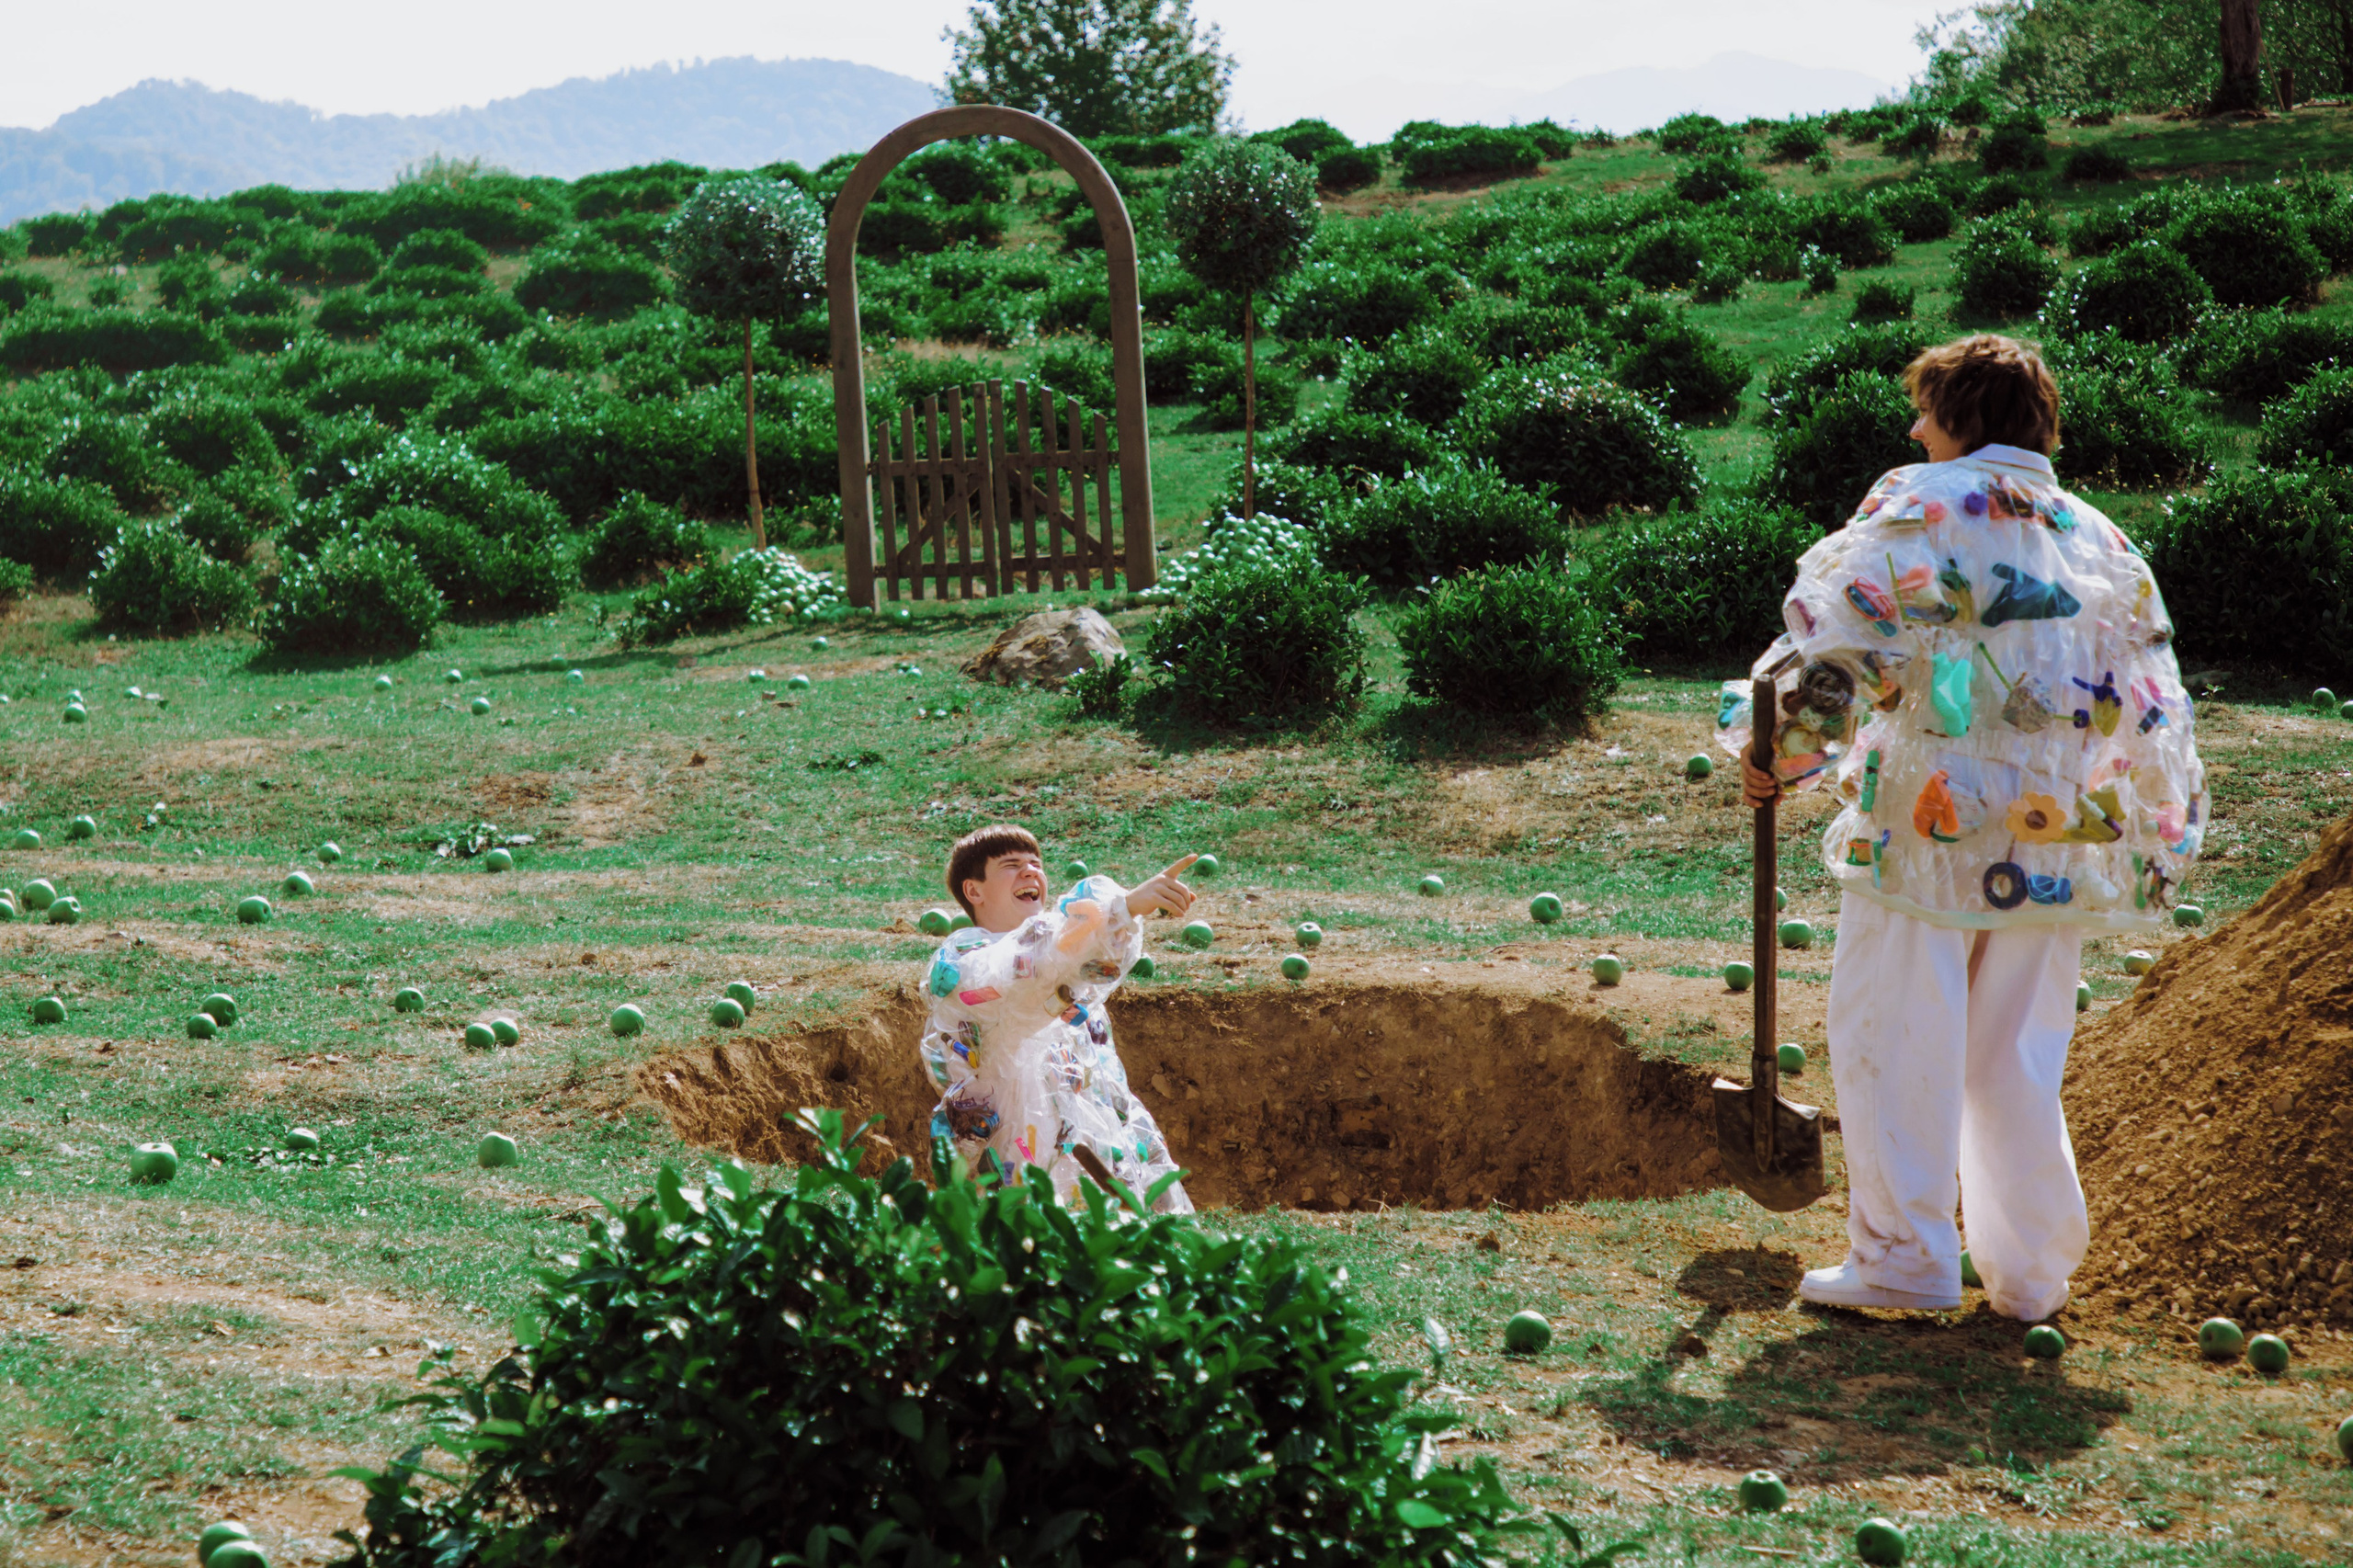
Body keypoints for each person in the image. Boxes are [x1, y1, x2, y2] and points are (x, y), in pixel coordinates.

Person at [1718, 334, 2207, 1321]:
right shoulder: (2098, 535)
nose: (1914, 430)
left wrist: (1774, 750)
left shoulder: (1922, 503)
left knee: (1896, 1031)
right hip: (2058, 832)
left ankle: (1903, 1254)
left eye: (1926, 410)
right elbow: (2149, 697)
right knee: (2015, 1056)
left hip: (1926, 830)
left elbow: (1843, 646)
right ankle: (2029, 1275)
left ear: (1961, 416)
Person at [919, 824, 1200, 1212]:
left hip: (1099, 1165)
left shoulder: (1063, 966)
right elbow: (1023, 968)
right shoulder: (965, 964)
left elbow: (1106, 1086)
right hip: (1025, 1167)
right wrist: (1121, 909)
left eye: (1036, 864)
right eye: (1011, 865)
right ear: (974, 891)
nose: (1031, 871)